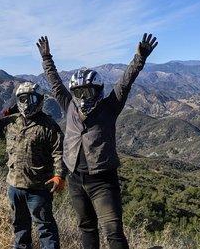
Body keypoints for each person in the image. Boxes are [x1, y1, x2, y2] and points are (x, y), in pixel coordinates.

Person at [36, 34, 158, 249]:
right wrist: (47, 58)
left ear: (98, 89)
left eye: (88, 91)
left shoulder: (109, 107)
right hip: (75, 178)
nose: (83, 97)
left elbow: (124, 84)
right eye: (79, 92)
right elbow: (54, 83)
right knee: (86, 227)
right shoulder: (70, 106)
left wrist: (139, 58)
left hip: (103, 180)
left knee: (113, 230)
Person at [0, 81, 65, 249]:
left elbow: (59, 152)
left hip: (39, 187)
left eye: (31, 98)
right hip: (14, 185)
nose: (27, 103)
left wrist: (59, 176)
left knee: (45, 228)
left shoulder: (49, 126)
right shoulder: (12, 122)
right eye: (22, 99)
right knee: (20, 226)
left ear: (39, 100)